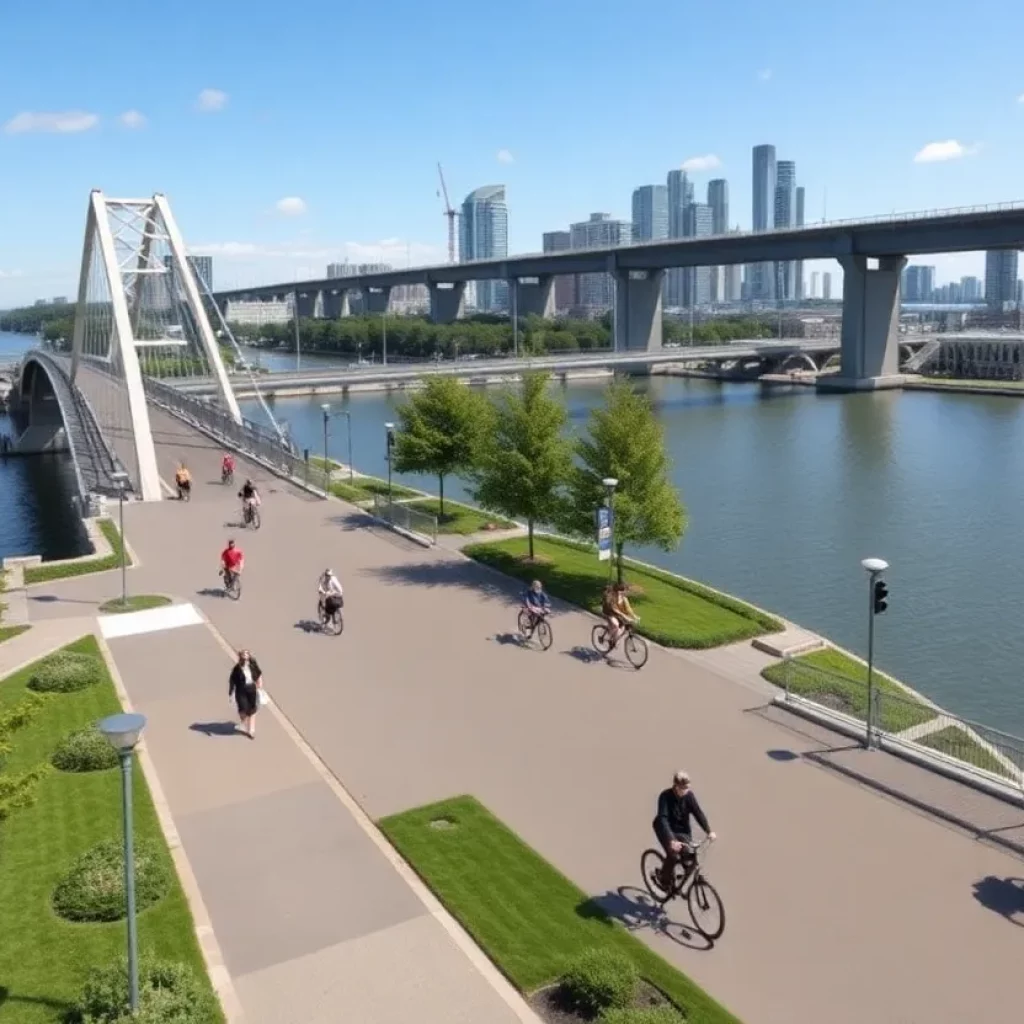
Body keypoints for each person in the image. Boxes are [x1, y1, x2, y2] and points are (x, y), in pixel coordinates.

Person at [653, 771, 716, 892]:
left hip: (682, 830)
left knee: (689, 854)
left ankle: (679, 880)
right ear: (676, 786)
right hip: (665, 829)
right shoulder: (665, 796)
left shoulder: (689, 796)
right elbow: (663, 819)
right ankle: (663, 879)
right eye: (684, 788)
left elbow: (698, 813)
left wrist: (709, 831)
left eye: (688, 787)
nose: (687, 790)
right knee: (673, 855)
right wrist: (671, 840)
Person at [228, 649, 264, 738]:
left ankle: (251, 730)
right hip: (241, 690)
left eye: (247, 653)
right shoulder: (237, 668)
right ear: (240, 656)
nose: (246, 655)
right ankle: (243, 723)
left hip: (251, 688)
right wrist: (231, 692)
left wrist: (260, 683)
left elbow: (258, 674)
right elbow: (232, 680)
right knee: (242, 709)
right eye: (244, 653)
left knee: (252, 709)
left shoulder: (253, 665)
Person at [602, 581, 637, 648]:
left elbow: (628, 608)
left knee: (623, 626)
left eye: (624, 591)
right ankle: (610, 639)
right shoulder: (611, 597)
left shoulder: (624, 598)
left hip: (617, 613)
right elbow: (614, 609)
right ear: (617, 591)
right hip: (609, 612)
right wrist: (624, 616)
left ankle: (614, 637)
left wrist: (634, 616)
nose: (624, 593)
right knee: (616, 625)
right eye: (622, 591)